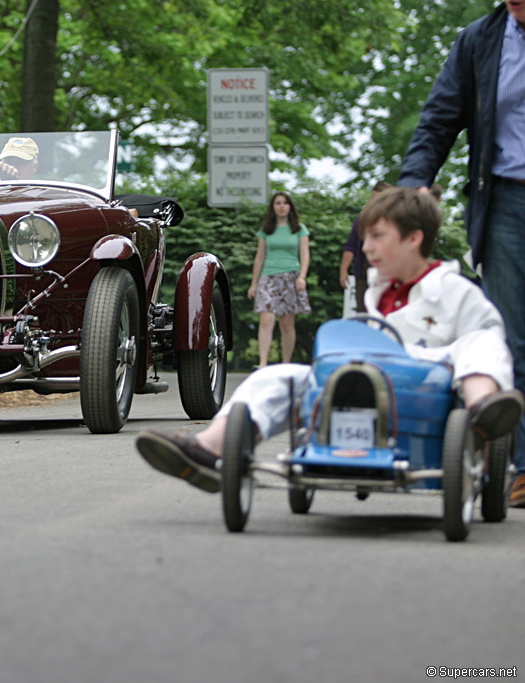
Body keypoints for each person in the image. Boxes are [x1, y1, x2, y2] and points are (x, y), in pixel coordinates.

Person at [135, 187, 524, 494]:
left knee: (481, 342)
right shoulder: (374, 294)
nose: (365, 247)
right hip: (369, 384)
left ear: (413, 239)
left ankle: (484, 407)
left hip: (431, 385)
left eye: (376, 237)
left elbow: (487, 338)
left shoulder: (455, 290)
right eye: (365, 237)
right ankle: (211, 449)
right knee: (274, 377)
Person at [396, 0, 525, 508]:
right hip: (506, 203)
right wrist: (414, 186)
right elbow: (439, 119)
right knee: (512, 337)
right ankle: (520, 467)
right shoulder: (481, 38)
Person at [247, 191, 311, 367]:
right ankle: (263, 363)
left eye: (285, 203)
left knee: (287, 323)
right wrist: (254, 283)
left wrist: (302, 277)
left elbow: (305, 254)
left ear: (290, 206)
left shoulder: (299, 229)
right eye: (278, 203)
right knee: (266, 319)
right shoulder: (266, 230)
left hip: (291, 276)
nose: (281, 206)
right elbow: (259, 257)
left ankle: (286, 364)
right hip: (268, 277)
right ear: (273, 208)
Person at [340, 181, 391, 313]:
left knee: (383, 312)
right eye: (373, 199)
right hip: (363, 273)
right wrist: (344, 270)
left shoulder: (396, 222)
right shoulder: (362, 219)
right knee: (363, 313)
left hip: (387, 274)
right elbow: (350, 245)